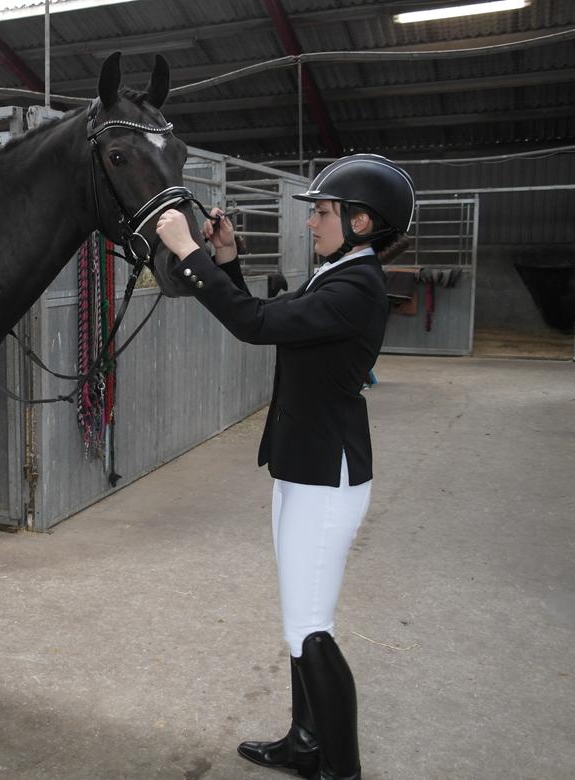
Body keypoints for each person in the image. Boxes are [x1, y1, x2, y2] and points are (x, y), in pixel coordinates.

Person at [155, 154, 415, 780]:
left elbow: (252, 324)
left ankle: (340, 769)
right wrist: (226, 258)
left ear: (360, 221)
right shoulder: (338, 274)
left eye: (322, 213)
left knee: (310, 629)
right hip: (305, 467)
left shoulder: (354, 286)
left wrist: (187, 251)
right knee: (300, 622)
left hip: (328, 477)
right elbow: (267, 322)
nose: (311, 224)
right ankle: (305, 743)